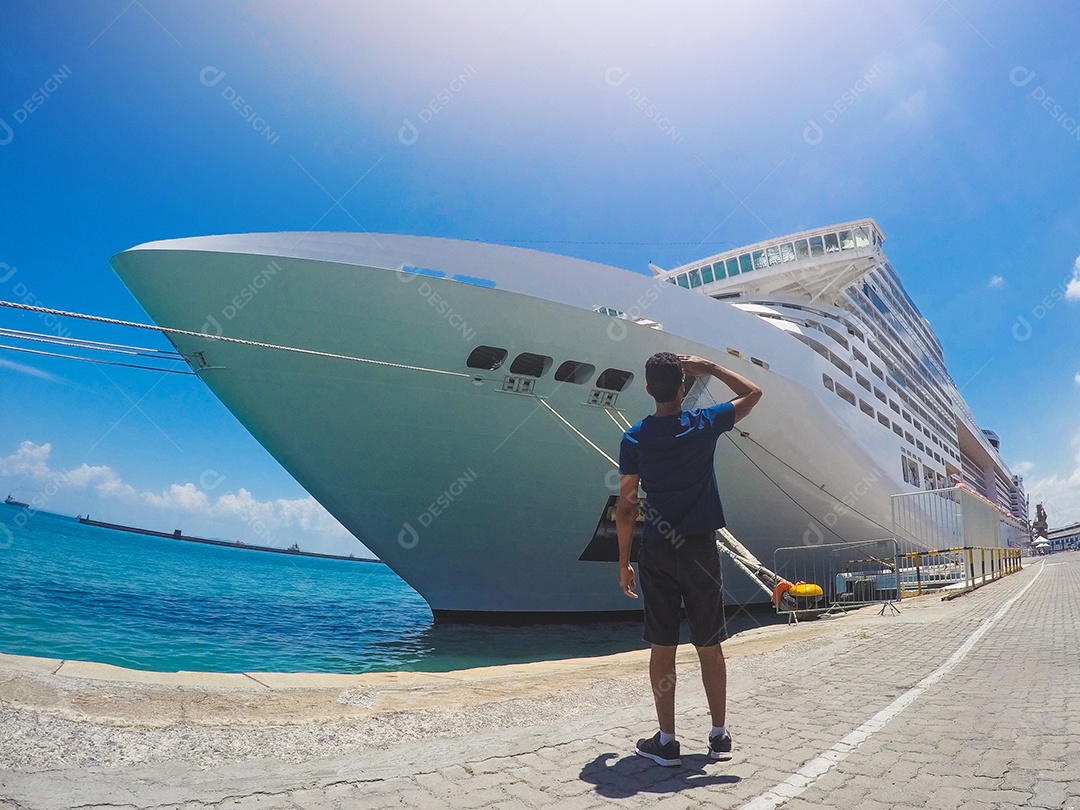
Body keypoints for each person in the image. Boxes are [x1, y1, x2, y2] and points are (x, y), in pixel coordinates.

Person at [616, 351, 762, 766]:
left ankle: (667, 741)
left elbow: (627, 507)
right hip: (699, 548)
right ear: (683, 387)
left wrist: (624, 561)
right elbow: (753, 393)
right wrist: (711, 368)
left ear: (647, 388)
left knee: (662, 645)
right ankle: (718, 735)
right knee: (709, 643)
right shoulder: (704, 423)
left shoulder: (634, 438)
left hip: (657, 549)